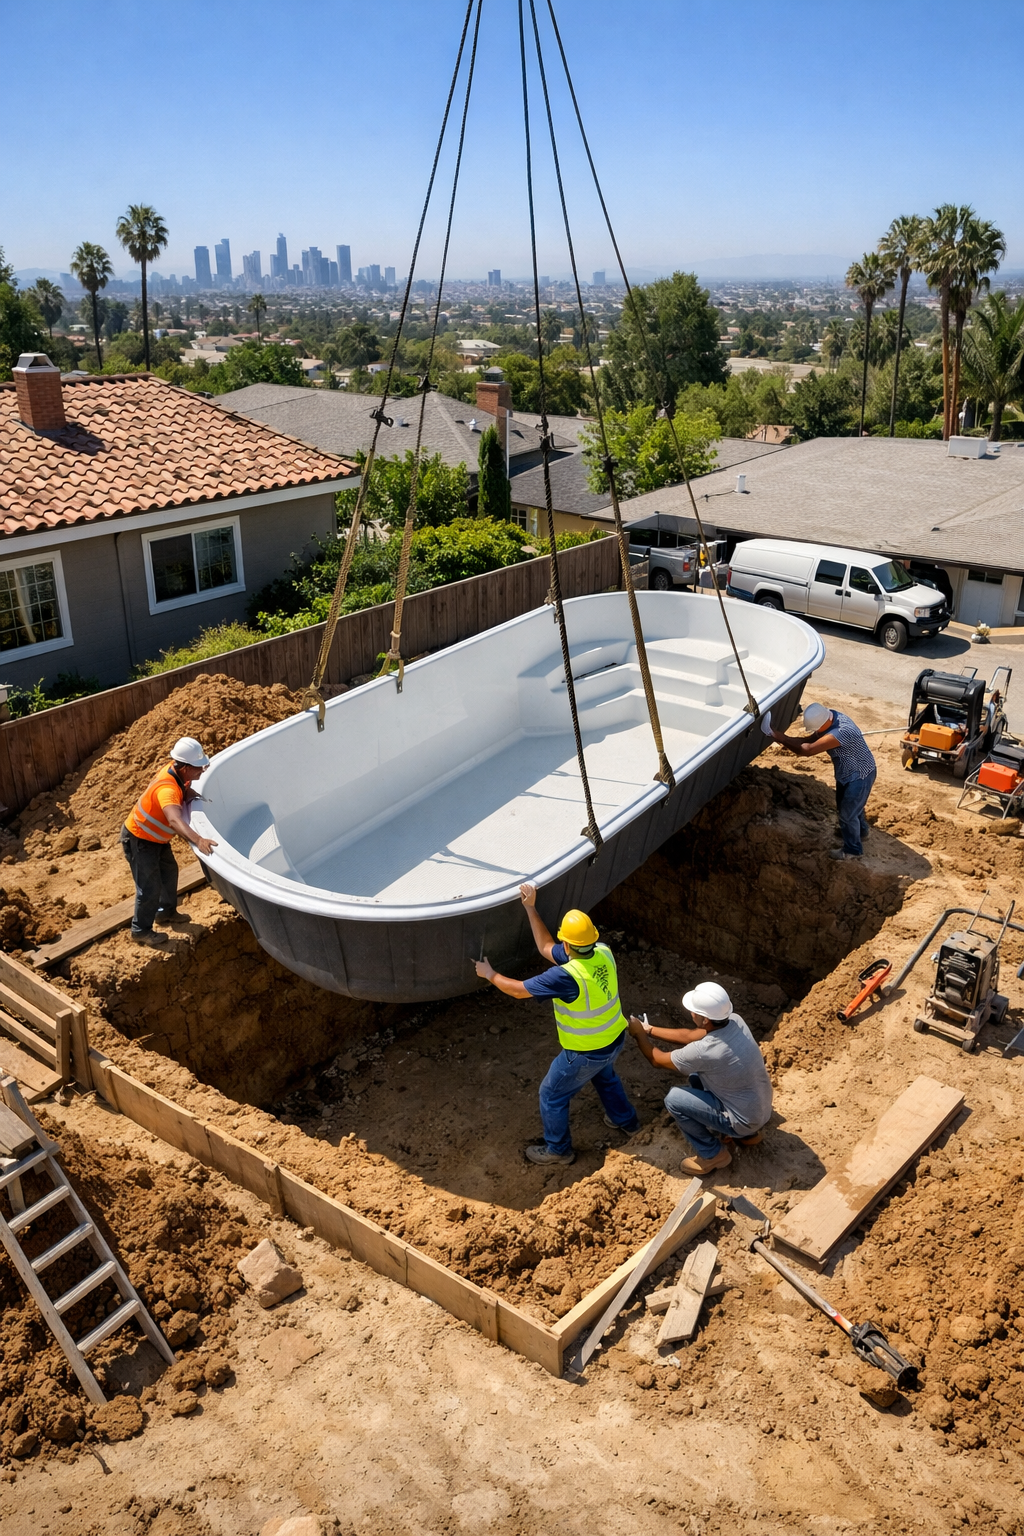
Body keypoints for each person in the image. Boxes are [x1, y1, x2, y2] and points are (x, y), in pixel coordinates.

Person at [473, 884, 639, 1166]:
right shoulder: (602, 951)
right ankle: (628, 1122)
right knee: (604, 1076)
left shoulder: (564, 977)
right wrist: (530, 907)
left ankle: (558, 1150)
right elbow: (545, 947)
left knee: (551, 1094)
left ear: (568, 945)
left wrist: (489, 974)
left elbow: (517, 990)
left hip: (585, 1052)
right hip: (614, 1039)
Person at [627, 981, 772, 1176]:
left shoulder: (705, 1051)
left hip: (744, 1120)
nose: (691, 1014)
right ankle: (747, 1136)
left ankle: (713, 1155)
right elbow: (689, 1036)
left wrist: (638, 1035)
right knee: (698, 1075)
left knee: (674, 1099)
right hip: (761, 1107)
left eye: (694, 1012)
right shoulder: (736, 1020)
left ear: (705, 1020)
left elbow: (657, 1060)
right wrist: (649, 1029)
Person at [121, 737, 218, 947]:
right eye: (198, 767)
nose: (202, 771)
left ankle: (166, 912)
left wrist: (192, 795)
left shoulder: (178, 774)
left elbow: (184, 790)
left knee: (169, 872)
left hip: (156, 839)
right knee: (149, 887)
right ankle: (141, 930)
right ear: (184, 767)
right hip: (140, 840)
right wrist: (198, 839)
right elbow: (174, 820)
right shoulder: (167, 790)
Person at [771, 701, 876, 861]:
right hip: (847, 773)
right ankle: (861, 832)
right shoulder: (831, 717)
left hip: (860, 776)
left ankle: (853, 850)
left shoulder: (841, 732)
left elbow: (807, 749)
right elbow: (808, 740)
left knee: (848, 814)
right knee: (850, 807)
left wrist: (783, 738)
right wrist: (783, 738)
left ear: (822, 723)